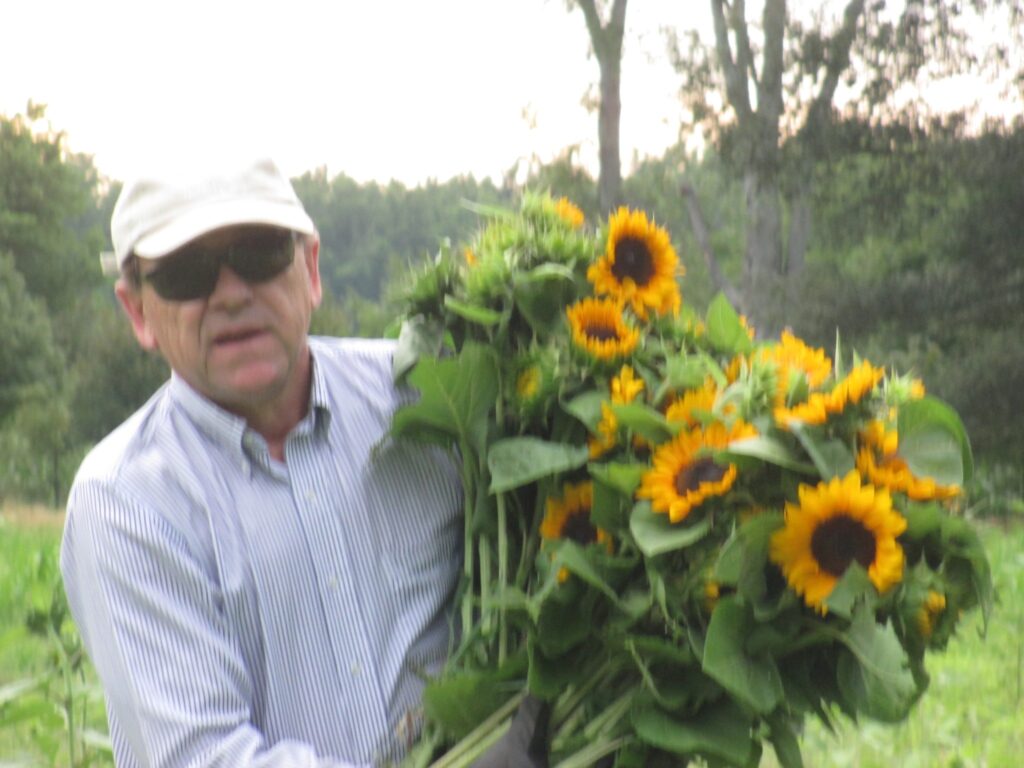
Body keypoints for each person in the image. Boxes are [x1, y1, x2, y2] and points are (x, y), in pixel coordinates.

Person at [60, 155, 544, 767]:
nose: (231, 294)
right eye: (186, 273)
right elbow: (206, 757)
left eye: (260, 254)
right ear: (138, 312)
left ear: (311, 269)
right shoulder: (127, 501)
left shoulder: (428, 393)